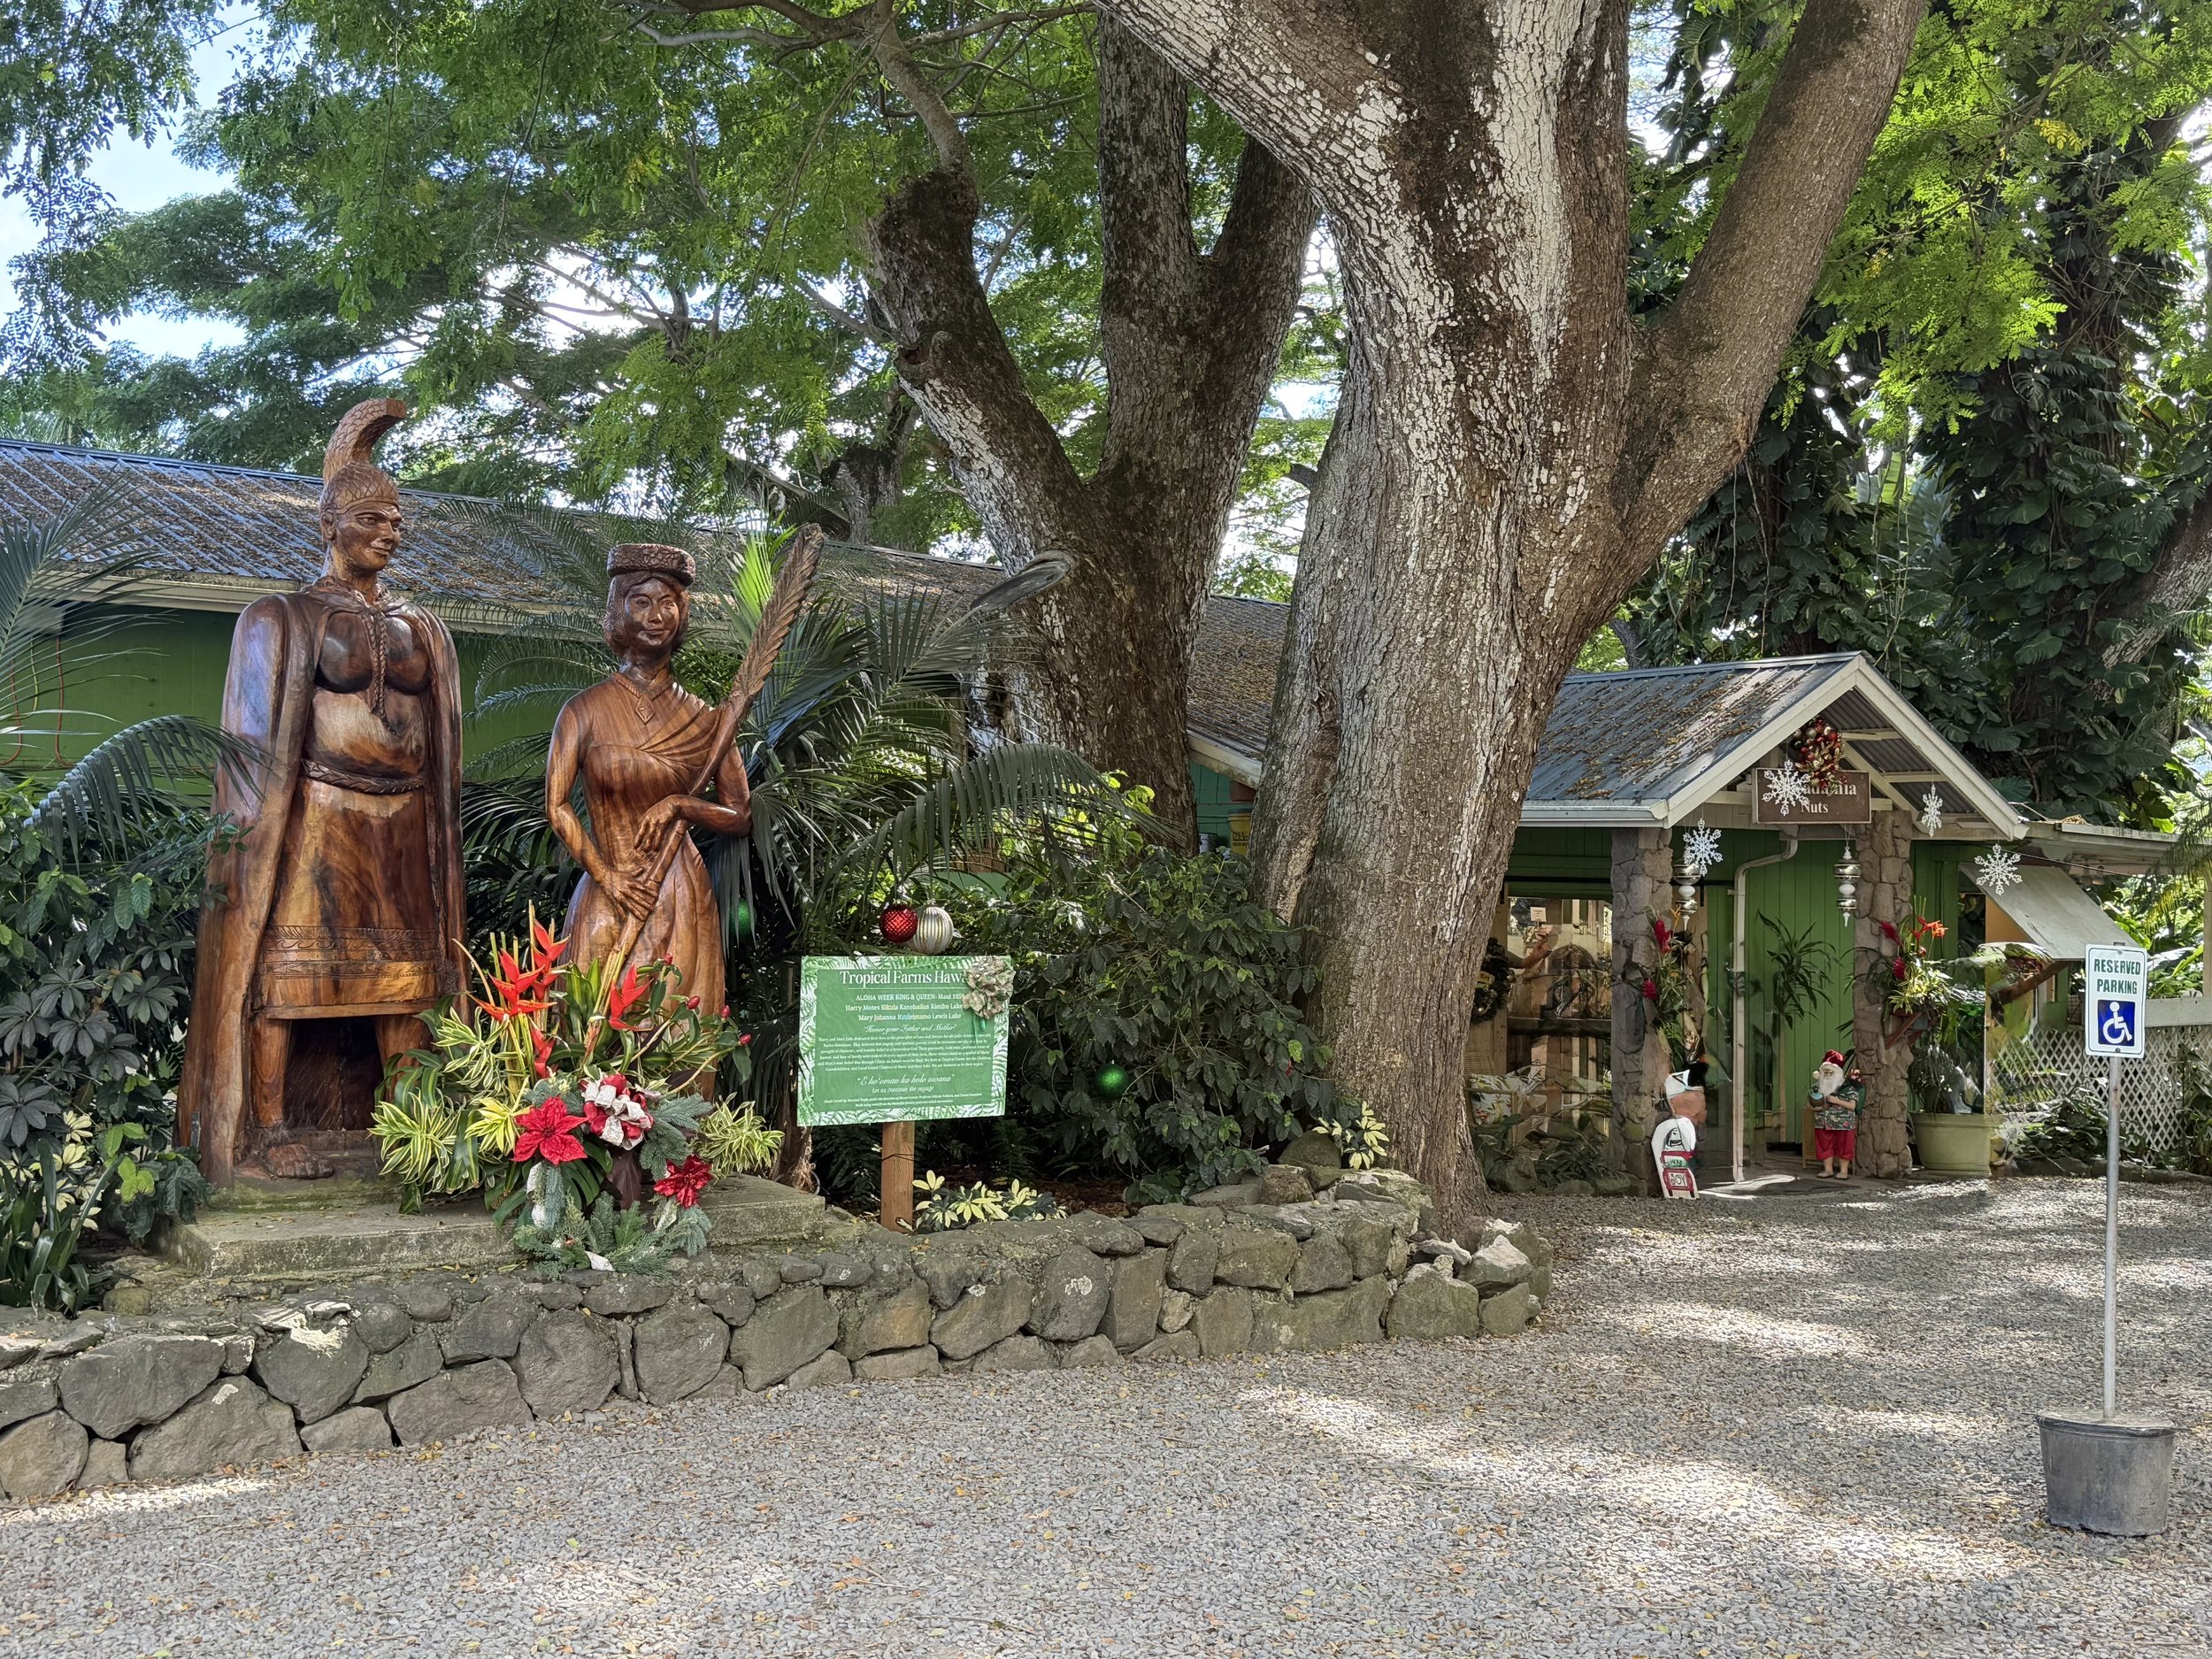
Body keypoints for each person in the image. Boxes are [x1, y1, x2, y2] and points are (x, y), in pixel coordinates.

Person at [178, 399, 465, 1186]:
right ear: (329, 524)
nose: (390, 529)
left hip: (404, 825)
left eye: (398, 518)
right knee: (288, 976)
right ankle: (269, 1128)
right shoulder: (285, 615)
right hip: (315, 818)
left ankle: (413, 1124)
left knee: (406, 977)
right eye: (371, 516)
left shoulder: (423, 628)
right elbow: (255, 744)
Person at [544, 541, 752, 1029]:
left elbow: (739, 817)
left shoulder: (707, 720)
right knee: (591, 1027)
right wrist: (609, 877)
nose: (657, 615)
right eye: (642, 602)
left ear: (683, 613)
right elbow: (557, 807)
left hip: (679, 892)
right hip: (608, 884)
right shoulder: (583, 710)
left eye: (669, 603)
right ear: (619, 610)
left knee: (675, 1030)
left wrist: (681, 804)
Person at [1808, 1048, 1865, 1179]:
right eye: (1825, 1072)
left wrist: (1836, 1100)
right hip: (1823, 1123)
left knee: (1844, 1146)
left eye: (1831, 1073)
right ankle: (1828, 1170)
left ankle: (1843, 1171)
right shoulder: (1817, 1087)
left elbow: (1852, 1105)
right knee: (1824, 1145)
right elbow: (1809, 1103)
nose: (1828, 1075)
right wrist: (1815, 1108)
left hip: (1843, 1124)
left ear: (1837, 1073)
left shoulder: (1848, 1088)